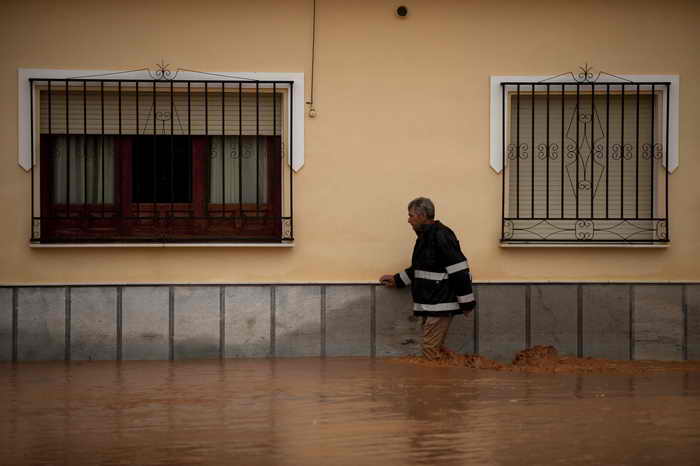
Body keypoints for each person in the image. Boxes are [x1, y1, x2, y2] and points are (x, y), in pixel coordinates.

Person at [379, 197, 476, 360]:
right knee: (434, 352)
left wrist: (466, 303)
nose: (408, 220)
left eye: (411, 216)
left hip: (440, 305)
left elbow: (459, 269)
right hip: (432, 305)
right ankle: (448, 381)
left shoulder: (441, 235)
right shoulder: (425, 237)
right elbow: (421, 268)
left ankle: (432, 384)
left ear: (422, 216)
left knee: (429, 352)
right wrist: (398, 280)